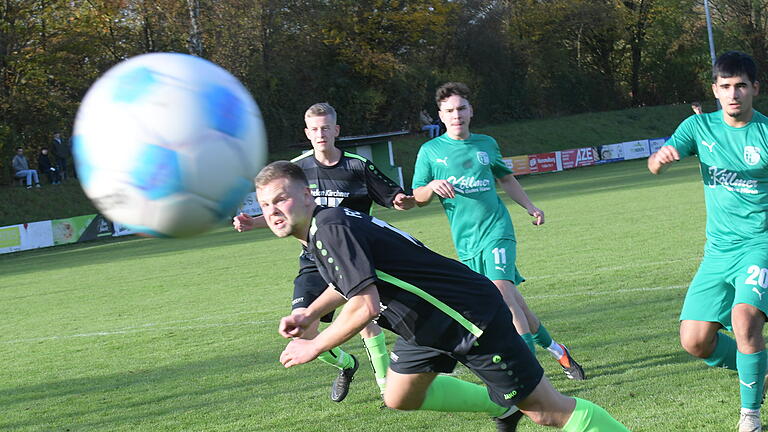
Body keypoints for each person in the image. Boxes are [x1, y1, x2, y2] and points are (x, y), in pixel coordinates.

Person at [256, 160, 629, 432]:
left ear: (306, 195)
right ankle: (502, 407)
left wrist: (315, 345)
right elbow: (350, 282)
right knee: (400, 394)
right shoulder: (328, 226)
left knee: (549, 411)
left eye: (281, 200)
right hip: (428, 324)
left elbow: (364, 306)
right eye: (265, 205)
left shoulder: (330, 230)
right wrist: (310, 315)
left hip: (469, 320)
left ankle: (519, 405)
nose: (273, 212)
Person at [234, 103, 415, 402]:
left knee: (365, 321)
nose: (321, 134)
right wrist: (251, 223)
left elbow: (394, 196)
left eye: (326, 128)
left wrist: (404, 200)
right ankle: (346, 364)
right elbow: (282, 214)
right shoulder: (296, 170)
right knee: (301, 330)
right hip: (312, 260)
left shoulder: (358, 166)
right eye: (315, 129)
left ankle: (386, 388)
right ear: (307, 133)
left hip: (354, 257)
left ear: (336, 130)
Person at [411, 82, 585, 380]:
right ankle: (558, 350)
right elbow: (417, 196)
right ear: (441, 115)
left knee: (502, 291)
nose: (457, 115)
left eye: (462, 108)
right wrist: (429, 187)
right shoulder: (430, 151)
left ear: (471, 111)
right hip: (466, 241)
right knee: (514, 301)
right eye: (450, 110)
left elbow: (506, 179)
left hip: (497, 229)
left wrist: (530, 206)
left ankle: (530, 371)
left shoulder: (486, 144)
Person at [648, 51, 768, 432]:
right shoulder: (698, 128)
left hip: (760, 244)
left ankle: (750, 416)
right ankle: (760, 367)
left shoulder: (765, 133)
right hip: (717, 251)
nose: (734, 94)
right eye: (726, 87)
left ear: (755, 90)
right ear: (715, 90)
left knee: (744, 318)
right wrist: (662, 157)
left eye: (741, 86)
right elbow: (657, 160)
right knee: (696, 341)